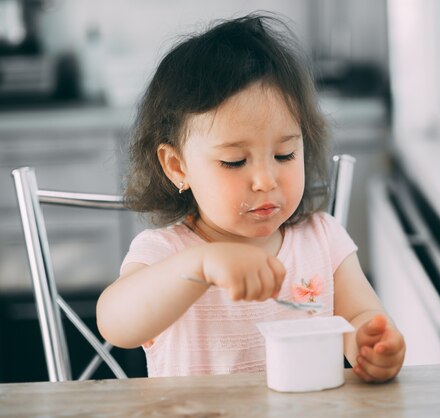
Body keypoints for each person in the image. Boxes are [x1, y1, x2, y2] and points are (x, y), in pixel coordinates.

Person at [96, 13, 405, 382]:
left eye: (285, 155)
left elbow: (359, 318)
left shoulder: (323, 239)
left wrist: (371, 345)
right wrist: (200, 265)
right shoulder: (167, 253)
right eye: (235, 161)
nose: (265, 180)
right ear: (178, 166)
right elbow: (115, 322)